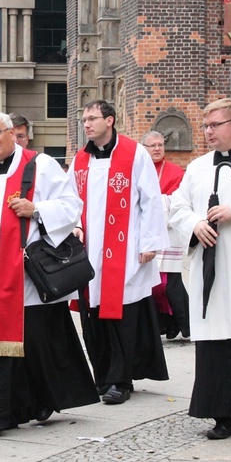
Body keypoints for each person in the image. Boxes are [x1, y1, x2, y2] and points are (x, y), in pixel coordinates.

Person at [0, 112, 99, 435]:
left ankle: (17, 409)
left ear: (13, 134)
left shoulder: (41, 165)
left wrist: (36, 209)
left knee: (34, 346)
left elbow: (71, 205)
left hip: (24, 280)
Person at [169, 98, 231, 440]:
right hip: (213, 272)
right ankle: (226, 416)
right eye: (205, 126)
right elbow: (178, 206)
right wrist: (194, 224)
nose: (208, 132)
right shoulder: (198, 167)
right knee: (219, 342)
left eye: (215, 125)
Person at [69, 100, 169, 404]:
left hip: (125, 250)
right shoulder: (80, 160)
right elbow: (70, 199)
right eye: (84, 119)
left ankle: (120, 380)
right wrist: (74, 226)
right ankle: (102, 376)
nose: (86, 124)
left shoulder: (134, 153)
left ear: (110, 120)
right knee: (94, 316)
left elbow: (151, 199)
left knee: (121, 316)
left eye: (92, 118)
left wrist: (150, 242)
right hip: (90, 250)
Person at [141, 131, 190, 340]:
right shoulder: (139, 169)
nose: (157, 149)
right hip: (146, 236)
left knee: (170, 284)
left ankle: (187, 325)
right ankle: (165, 325)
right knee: (151, 285)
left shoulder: (175, 171)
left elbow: (180, 202)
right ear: (144, 148)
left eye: (160, 144)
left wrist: (156, 204)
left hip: (169, 236)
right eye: (152, 145)